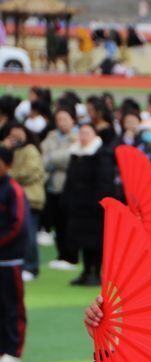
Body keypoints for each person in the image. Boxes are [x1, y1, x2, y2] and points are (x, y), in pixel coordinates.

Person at [65, 122, 116, 287]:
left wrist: (99, 203)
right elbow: (70, 179)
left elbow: (105, 182)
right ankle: (86, 271)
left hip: (95, 207)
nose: (83, 137)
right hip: (78, 206)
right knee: (82, 241)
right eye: (81, 133)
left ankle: (96, 272)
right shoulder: (75, 153)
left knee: (96, 241)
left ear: (94, 135)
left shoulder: (102, 154)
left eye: (87, 133)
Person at [41, 105, 77, 270]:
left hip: (69, 187)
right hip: (52, 186)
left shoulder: (77, 137)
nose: (61, 122)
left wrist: (52, 158)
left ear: (73, 120)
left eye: (65, 119)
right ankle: (61, 255)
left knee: (69, 223)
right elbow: (42, 158)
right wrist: (54, 159)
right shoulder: (51, 136)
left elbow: (70, 158)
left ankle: (71, 256)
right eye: (58, 119)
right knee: (56, 222)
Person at [5, 125, 43, 281]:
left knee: (30, 234)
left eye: (19, 134)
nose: (15, 138)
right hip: (12, 198)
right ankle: (22, 265)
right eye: (12, 135)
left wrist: (9, 174)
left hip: (30, 197)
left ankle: (31, 267)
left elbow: (29, 172)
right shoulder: (8, 150)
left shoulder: (30, 150)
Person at [0, 147, 25, 362]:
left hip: (10, 258)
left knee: (12, 306)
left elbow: (18, 224)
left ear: (7, 165)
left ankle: (13, 351)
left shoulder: (14, 190)